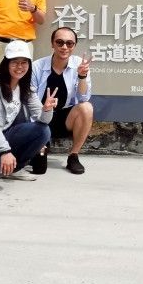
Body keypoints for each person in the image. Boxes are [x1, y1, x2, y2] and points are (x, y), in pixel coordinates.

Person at [0, 40, 55, 180]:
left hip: (6, 134)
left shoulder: (26, 87)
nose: (20, 67)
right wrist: (5, 151)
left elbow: (44, 121)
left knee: (43, 130)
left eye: (24, 62)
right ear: (6, 63)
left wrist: (47, 109)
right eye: (15, 62)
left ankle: (16, 168)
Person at [30, 27, 94, 175]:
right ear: (52, 44)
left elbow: (83, 98)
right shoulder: (37, 66)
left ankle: (73, 156)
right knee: (39, 168)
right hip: (40, 118)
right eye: (60, 42)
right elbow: (29, 100)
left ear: (74, 46)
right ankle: (39, 148)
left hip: (65, 119)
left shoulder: (80, 65)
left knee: (86, 107)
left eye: (69, 43)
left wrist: (82, 76)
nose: (64, 47)